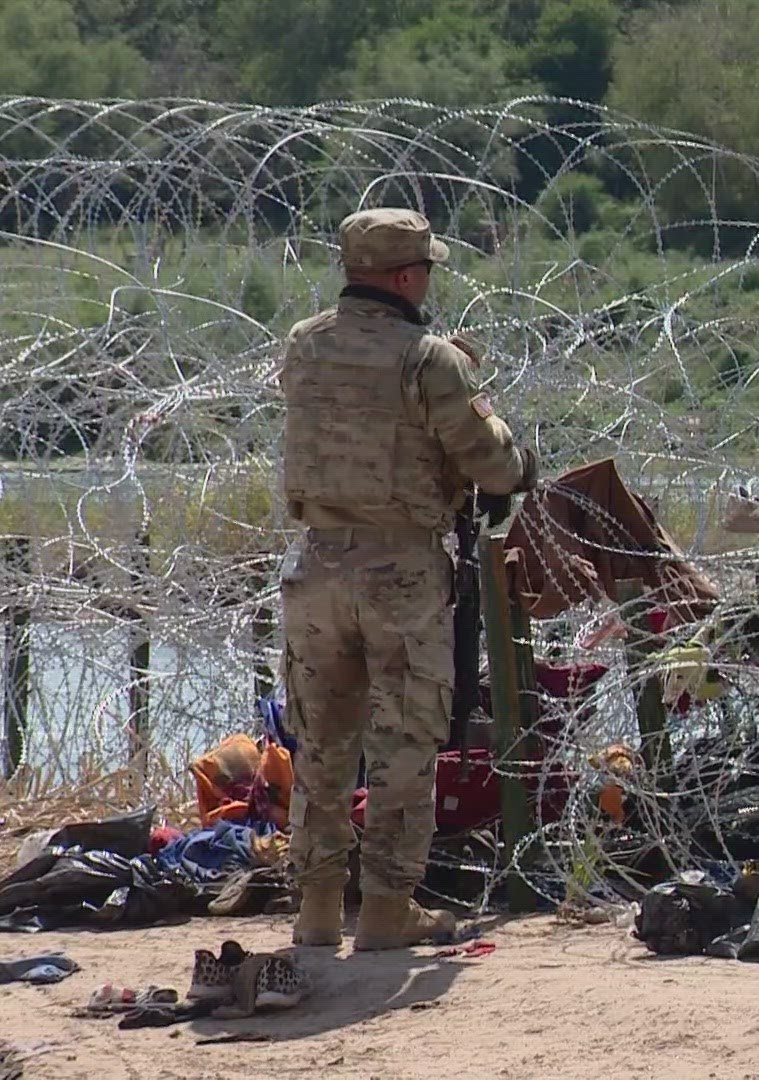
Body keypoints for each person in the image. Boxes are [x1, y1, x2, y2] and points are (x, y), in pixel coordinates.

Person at [278, 207, 537, 951]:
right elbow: (489, 461)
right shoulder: (429, 359)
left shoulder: (304, 346)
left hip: (318, 560)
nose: (429, 280)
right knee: (404, 740)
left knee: (321, 743)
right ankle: (389, 906)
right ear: (402, 276)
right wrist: (521, 463)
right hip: (401, 566)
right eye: (424, 268)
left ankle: (319, 906)